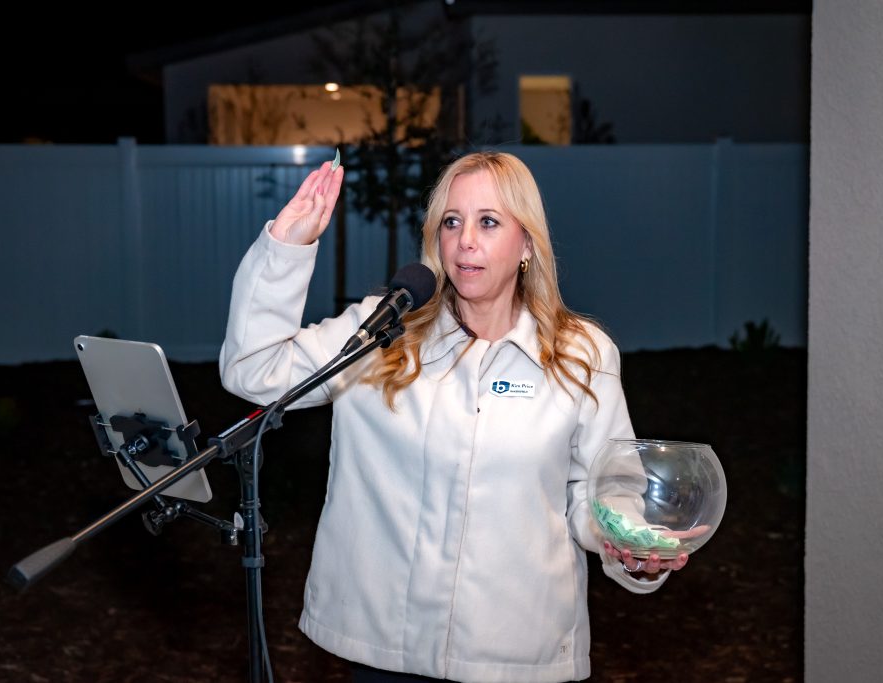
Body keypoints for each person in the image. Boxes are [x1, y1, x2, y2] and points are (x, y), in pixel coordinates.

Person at [220, 151, 688, 683]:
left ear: (527, 244)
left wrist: (623, 541)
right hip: (383, 654)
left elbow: (604, 487)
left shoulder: (582, 354)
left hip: (518, 657)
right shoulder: (382, 333)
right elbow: (252, 370)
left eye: (488, 222)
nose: (466, 240)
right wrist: (286, 247)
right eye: (452, 222)